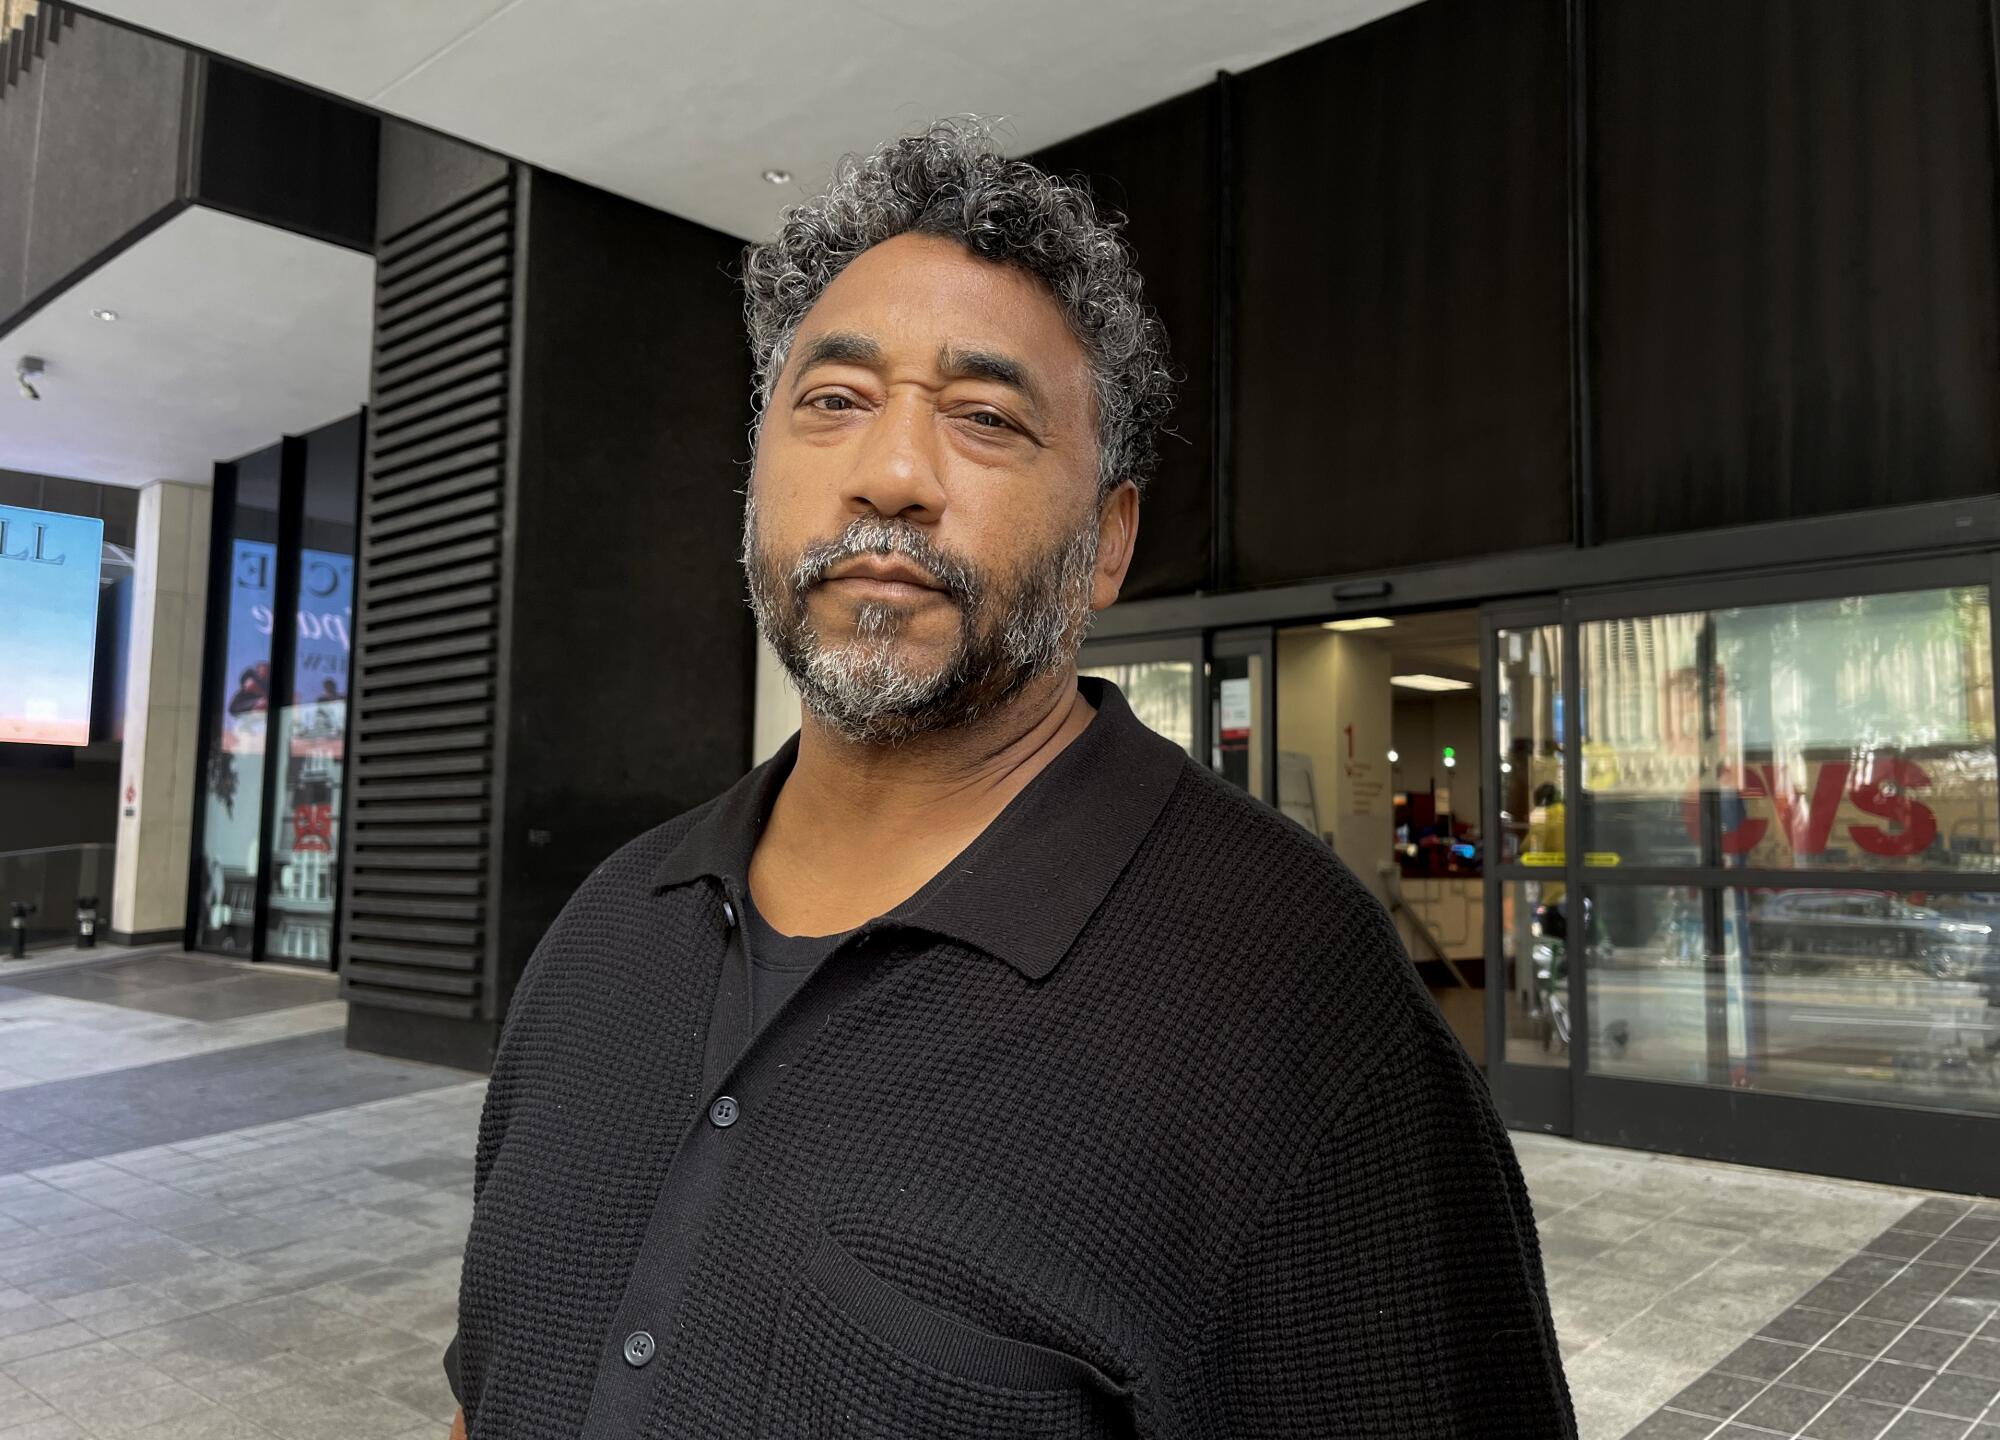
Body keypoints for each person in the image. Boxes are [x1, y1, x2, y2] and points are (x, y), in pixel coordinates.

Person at [443, 118, 1573, 1439]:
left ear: (1107, 540)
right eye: (834, 400)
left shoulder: (1292, 1001)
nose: (891, 475)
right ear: (757, 478)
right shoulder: (605, 932)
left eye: (984, 417)